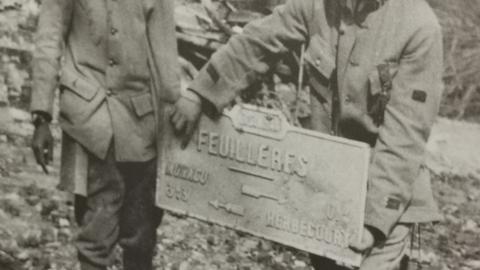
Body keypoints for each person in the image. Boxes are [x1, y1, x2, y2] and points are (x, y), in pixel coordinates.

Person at [171, 0, 444, 269]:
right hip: (324, 189)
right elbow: (256, 43)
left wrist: (374, 222)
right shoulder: (318, 6)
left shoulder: (418, 26)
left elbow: (404, 137)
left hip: (384, 194)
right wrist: (200, 92)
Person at [29, 0, 193, 269]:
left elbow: (166, 62)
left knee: (141, 233)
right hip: (91, 117)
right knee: (97, 230)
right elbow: (49, 36)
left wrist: (172, 130)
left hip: (142, 120)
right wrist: (41, 115)